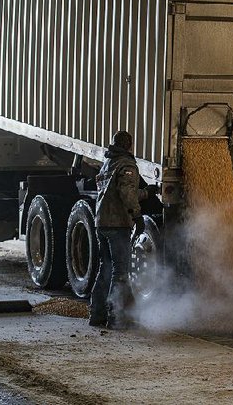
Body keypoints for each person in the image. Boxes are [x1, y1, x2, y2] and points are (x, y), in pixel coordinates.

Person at [90, 130, 142, 329]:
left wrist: (144, 193)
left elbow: (114, 191)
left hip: (101, 223)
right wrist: (137, 215)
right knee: (120, 272)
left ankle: (97, 315)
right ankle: (116, 317)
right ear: (129, 145)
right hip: (117, 224)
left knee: (106, 268)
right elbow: (126, 193)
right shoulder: (127, 164)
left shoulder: (107, 164)